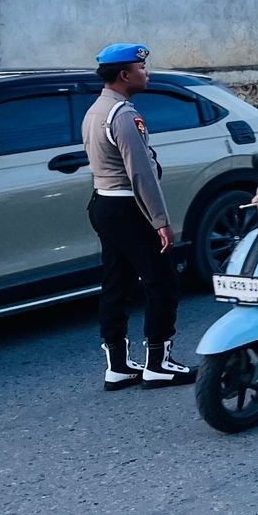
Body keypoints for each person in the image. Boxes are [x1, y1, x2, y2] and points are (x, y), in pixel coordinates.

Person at [83, 43, 193, 389]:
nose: (147, 73)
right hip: (129, 207)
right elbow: (142, 173)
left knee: (116, 282)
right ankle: (158, 363)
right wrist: (161, 221)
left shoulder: (96, 110)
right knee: (162, 282)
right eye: (141, 68)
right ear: (124, 75)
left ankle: (117, 365)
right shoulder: (123, 116)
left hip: (103, 203)